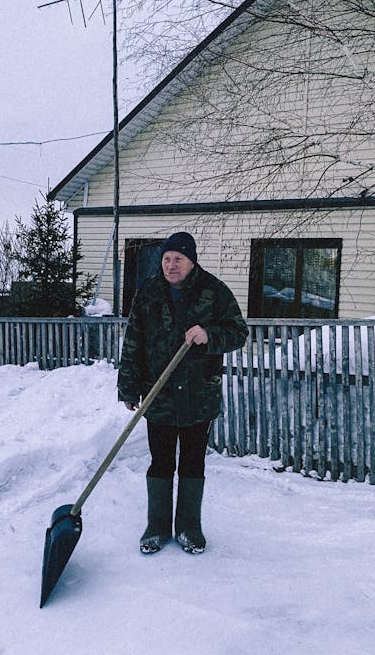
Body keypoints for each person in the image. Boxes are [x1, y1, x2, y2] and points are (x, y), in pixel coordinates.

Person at [118, 231, 248, 554]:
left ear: (191, 261)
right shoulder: (148, 294)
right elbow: (133, 342)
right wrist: (128, 386)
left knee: (193, 463)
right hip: (158, 396)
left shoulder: (213, 292)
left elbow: (238, 333)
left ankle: (189, 528)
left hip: (198, 397)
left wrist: (209, 335)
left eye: (177, 259)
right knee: (160, 462)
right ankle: (157, 527)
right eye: (166, 259)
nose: (170, 265)